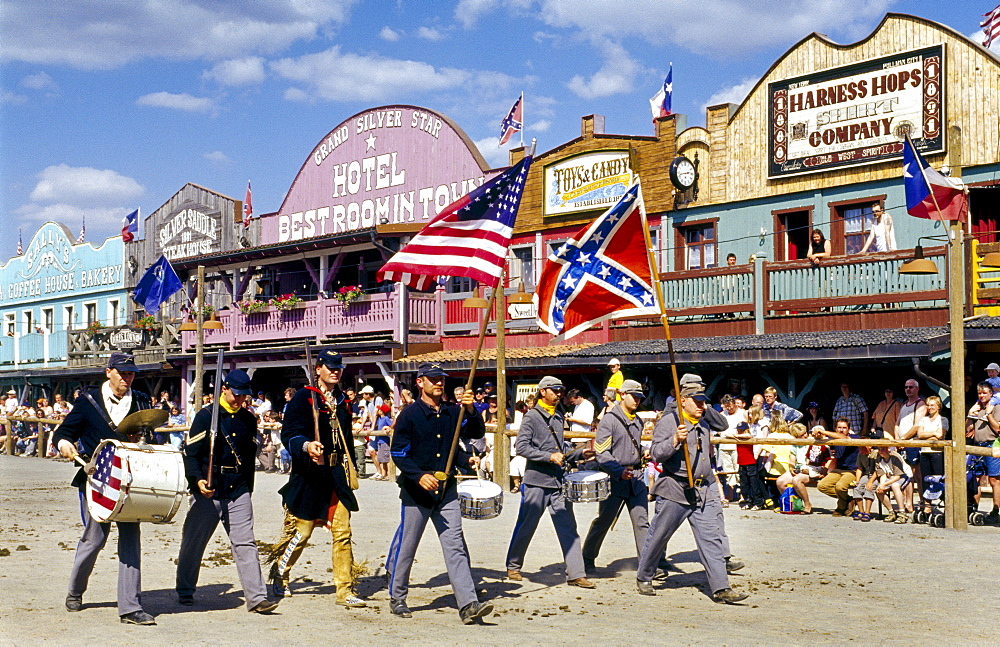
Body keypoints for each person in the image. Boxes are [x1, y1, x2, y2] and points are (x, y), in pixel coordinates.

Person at [53, 352, 158, 625]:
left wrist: (145, 439)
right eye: (123, 373)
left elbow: (152, 439)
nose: (128, 378)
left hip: (132, 482)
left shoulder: (142, 401)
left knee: (131, 540)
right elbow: (63, 433)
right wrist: (65, 445)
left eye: (132, 373)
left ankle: (130, 607)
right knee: (94, 539)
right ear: (108, 371)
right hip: (96, 480)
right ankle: (75, 591)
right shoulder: (88, 402)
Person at [385, 362, 492, 624]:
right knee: (408, 547)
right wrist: (418, 475)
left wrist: (469, 411)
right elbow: (398, 453)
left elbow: (472, 434)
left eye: (441, 379)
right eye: (433, 379)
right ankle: (397, 596)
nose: (439, 383)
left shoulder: (452, 413)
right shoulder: (409, 415)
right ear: (420, 382)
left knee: (455, 546)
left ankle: (468, 604)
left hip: (447, 492)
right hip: (416, 492)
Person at [266, 349, 365, 608]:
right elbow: (290, 433)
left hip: (335, 476)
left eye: (339, 367)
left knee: (342, 532)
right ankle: (280, 572)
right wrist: (306, 445)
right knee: (302, 533)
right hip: (310, 475)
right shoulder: (303, 398)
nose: (335, 371)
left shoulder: (343, 401)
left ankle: (345, 590)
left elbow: (346, 438)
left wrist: (350, 469)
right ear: (318, 368)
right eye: (330, 366)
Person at [635, 378, 748, 604]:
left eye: (703, 401)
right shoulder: (669, 422)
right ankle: (644, 576)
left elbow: (722, 424)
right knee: (659, 535)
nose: (701, 405)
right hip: (675, 489)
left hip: (702, 491)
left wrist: (704, 407)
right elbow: (656, 453)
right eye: (696, 401)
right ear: (683, 401)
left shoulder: (705, 422)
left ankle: (721, 588)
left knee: (711, 539)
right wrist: (675, 439)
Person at [175, 369, 278, 613]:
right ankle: (185, 589)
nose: (241, 400)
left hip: (238, 487)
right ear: (225, 389)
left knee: (245, 544)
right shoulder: (206, 416)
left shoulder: (248, 419)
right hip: (209, 487)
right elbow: (191, 454)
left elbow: (249, 456)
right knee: (194, 542)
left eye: (245, 396)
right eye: (237, 395)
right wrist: (197, 481)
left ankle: (256, 598)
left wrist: (248, 489)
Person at [506, 376, 596, 589]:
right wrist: (549, 457)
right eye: (555, 390)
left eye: (560, 391)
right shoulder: (532, 417)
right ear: (543, 391)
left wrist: (582, 454)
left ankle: (576, 573)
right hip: (536, 482)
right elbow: (522, 448)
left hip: (558, 483)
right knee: (526, 526)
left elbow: (562, 449)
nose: (559, 394)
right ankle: (513, 565)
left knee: (568, 529)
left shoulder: (558, 417)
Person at [582, 380, 651, 571]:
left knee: (642, 522)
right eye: (634, 396)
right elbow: (602, 453)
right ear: (622, 395)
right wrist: (619, 471)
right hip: (615, 479)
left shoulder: (637, 421)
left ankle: (648, 565)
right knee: (604, 520)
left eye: (640, 397)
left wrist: (643, 455)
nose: (637, 400)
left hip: (636, 478)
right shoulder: (609, 420)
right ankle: (587, 558)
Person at [967, 381, 1000, 523]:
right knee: (975, 479)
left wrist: (988, 415)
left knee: (994, 480)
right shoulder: (977, 407)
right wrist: (970, 414)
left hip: (992, 445)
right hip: (977, 446)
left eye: (984, 393)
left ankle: (996, 510)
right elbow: (967, 430)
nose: (981, 396)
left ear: (991, 394)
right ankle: (973, 507)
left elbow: (998, 428)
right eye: (979, 393)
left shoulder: (996, 407)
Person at [814, 418, 861, 516]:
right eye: (839, 427)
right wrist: (817, 435)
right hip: (838, 469)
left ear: (848, 429)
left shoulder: (854, 437)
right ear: (835, 429)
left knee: (840, 487)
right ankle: (849, 500)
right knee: (822, 486)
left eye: (844, 428)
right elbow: (823, 440)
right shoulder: (833, 440)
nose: (841, 430)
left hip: (852, 470)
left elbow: (843, 438)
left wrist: (823, 431)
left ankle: (841, 506)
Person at [911, 395, 948, 511]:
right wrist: (933, 433)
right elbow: (920, 435)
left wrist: (931, 435)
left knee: (939, 478)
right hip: (924, 452)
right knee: (925, 478)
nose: (930, 407)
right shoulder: (924, 419)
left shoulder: (943, 420)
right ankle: (927, 505)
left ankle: (945, 503)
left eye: (932, 405)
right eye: (928, 405)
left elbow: (940, 435)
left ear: (938, 406)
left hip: (937, 452)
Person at [895, 379, 926, 514]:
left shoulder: (920, 404)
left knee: (917, 474)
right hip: (902, 444)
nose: (908, 389)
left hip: (913, 443)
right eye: (906, 387)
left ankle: (922, 502)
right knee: (906, 475)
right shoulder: (904, 405)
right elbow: (897, 423)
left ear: (917, 389)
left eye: (911, 387)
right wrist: (897, 440)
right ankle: (908, 503)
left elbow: (917, 425)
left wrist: (903, 439)